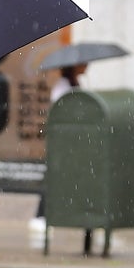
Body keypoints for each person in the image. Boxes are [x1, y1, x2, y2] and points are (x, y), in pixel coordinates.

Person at [31, 62, 88, 234]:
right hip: (62, 142)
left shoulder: (75, 84)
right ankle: (40, 215)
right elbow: (60, 113)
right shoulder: (62, 87)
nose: (87, 67)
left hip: (73, 142)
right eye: (84, 64)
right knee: (54, 177)